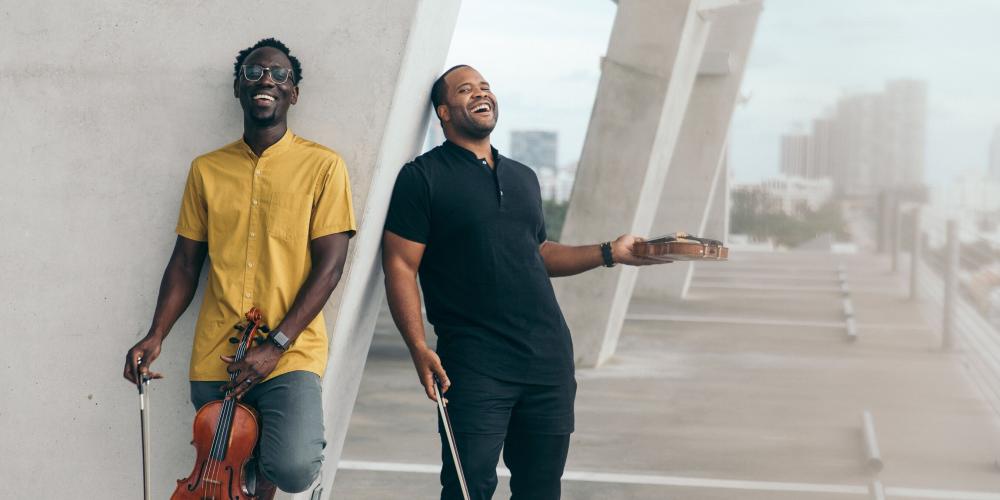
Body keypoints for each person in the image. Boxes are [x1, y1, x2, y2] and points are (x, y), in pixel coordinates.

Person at [382, 65, 663, 500]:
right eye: (465, 89)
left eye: (485, 86)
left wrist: (612, 252)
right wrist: (419, 347)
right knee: (467, 487)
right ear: (443, 111)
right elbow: (400, 265)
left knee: (541, 489)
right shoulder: (423, 178)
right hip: (475, 365)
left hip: (548, 359)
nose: (481, 93)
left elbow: (539, 254)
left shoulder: (523, 177)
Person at [122, 38, 356, 499]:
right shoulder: (206, 169)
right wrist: (155, 335)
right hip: (217, 355)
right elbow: (186, 263)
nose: (266, 79)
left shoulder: (324, 166)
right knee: (221, 473)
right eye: (253, 73)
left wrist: (276, 345)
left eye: (279, 74)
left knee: (291, 466)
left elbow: (330, 267)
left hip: (291, 355)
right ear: (238, 88)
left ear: (294, 93)